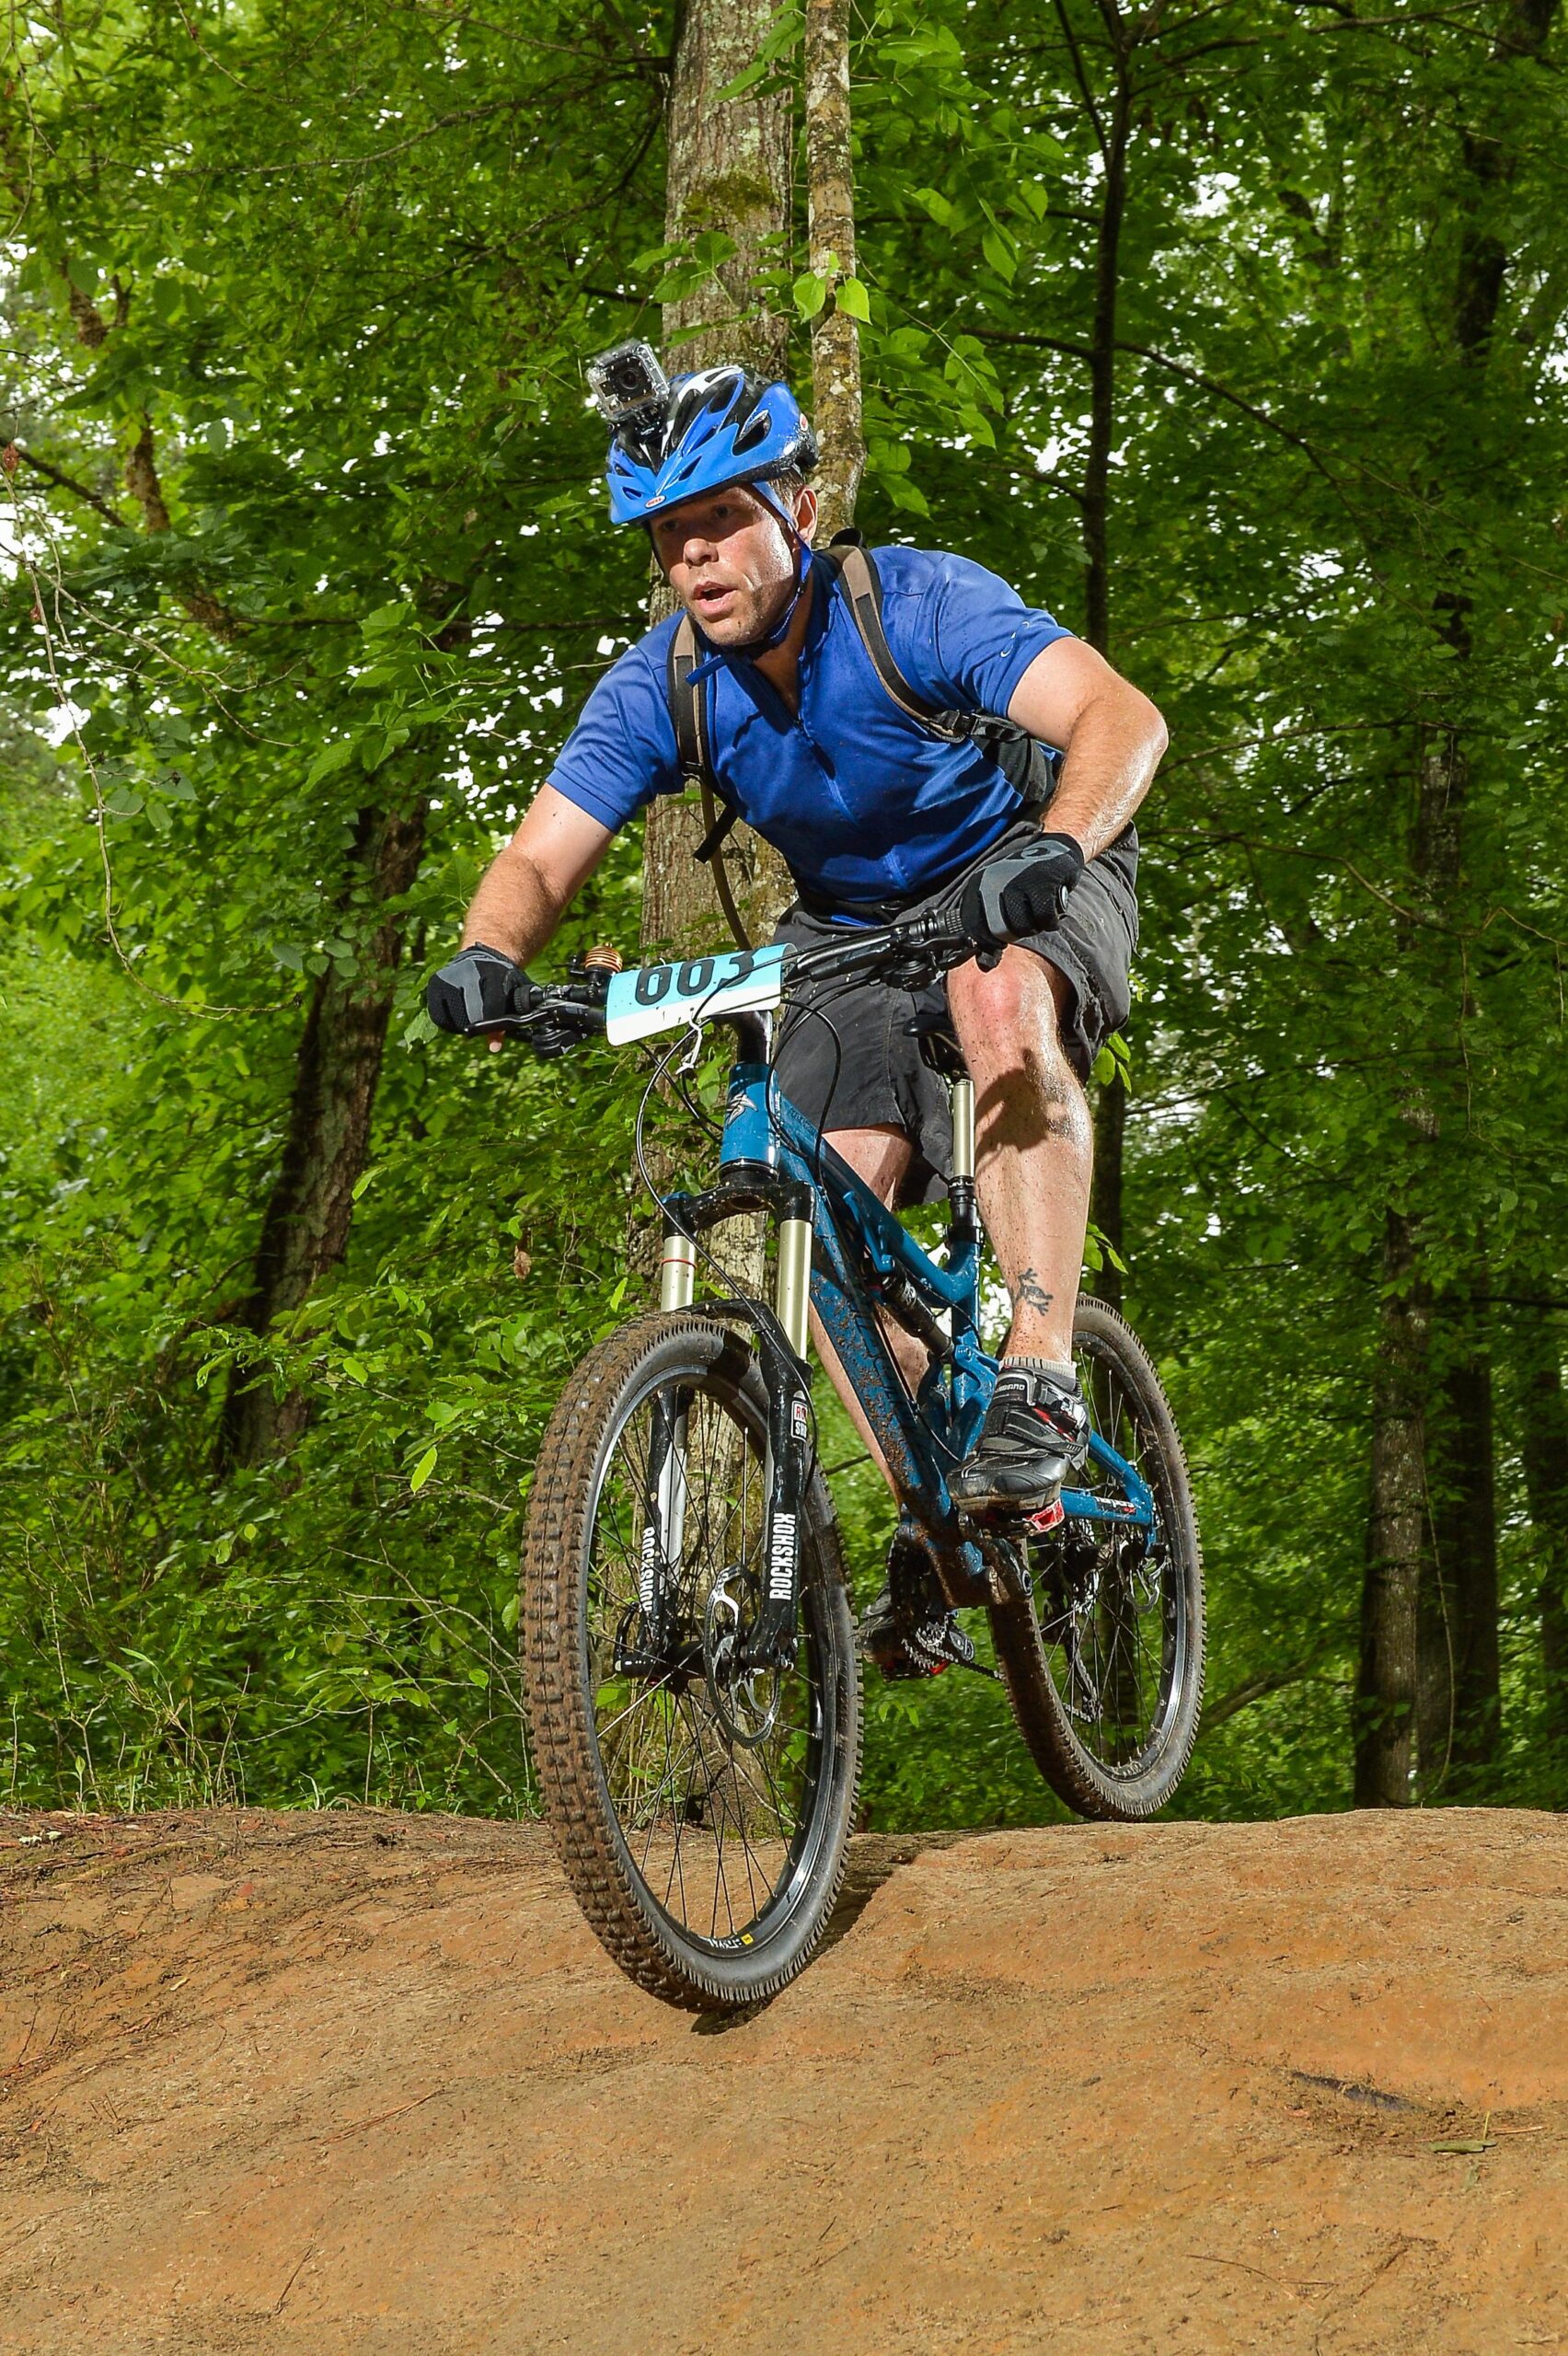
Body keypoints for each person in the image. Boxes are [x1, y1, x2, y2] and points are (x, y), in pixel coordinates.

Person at [427, 352, 1167, 1676]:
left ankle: (1044, 1362)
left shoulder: (918, 605)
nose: (696, 559)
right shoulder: (663, 685)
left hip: (1034, 858)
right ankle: (944, 1523)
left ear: (800, 516)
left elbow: (1121, 717)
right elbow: (542, 859)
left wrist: (1050, 844)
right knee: (804, 1212)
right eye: (670, 537)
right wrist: (489, 953)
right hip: (847, 931)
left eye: (722, 521)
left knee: (1000, 997)